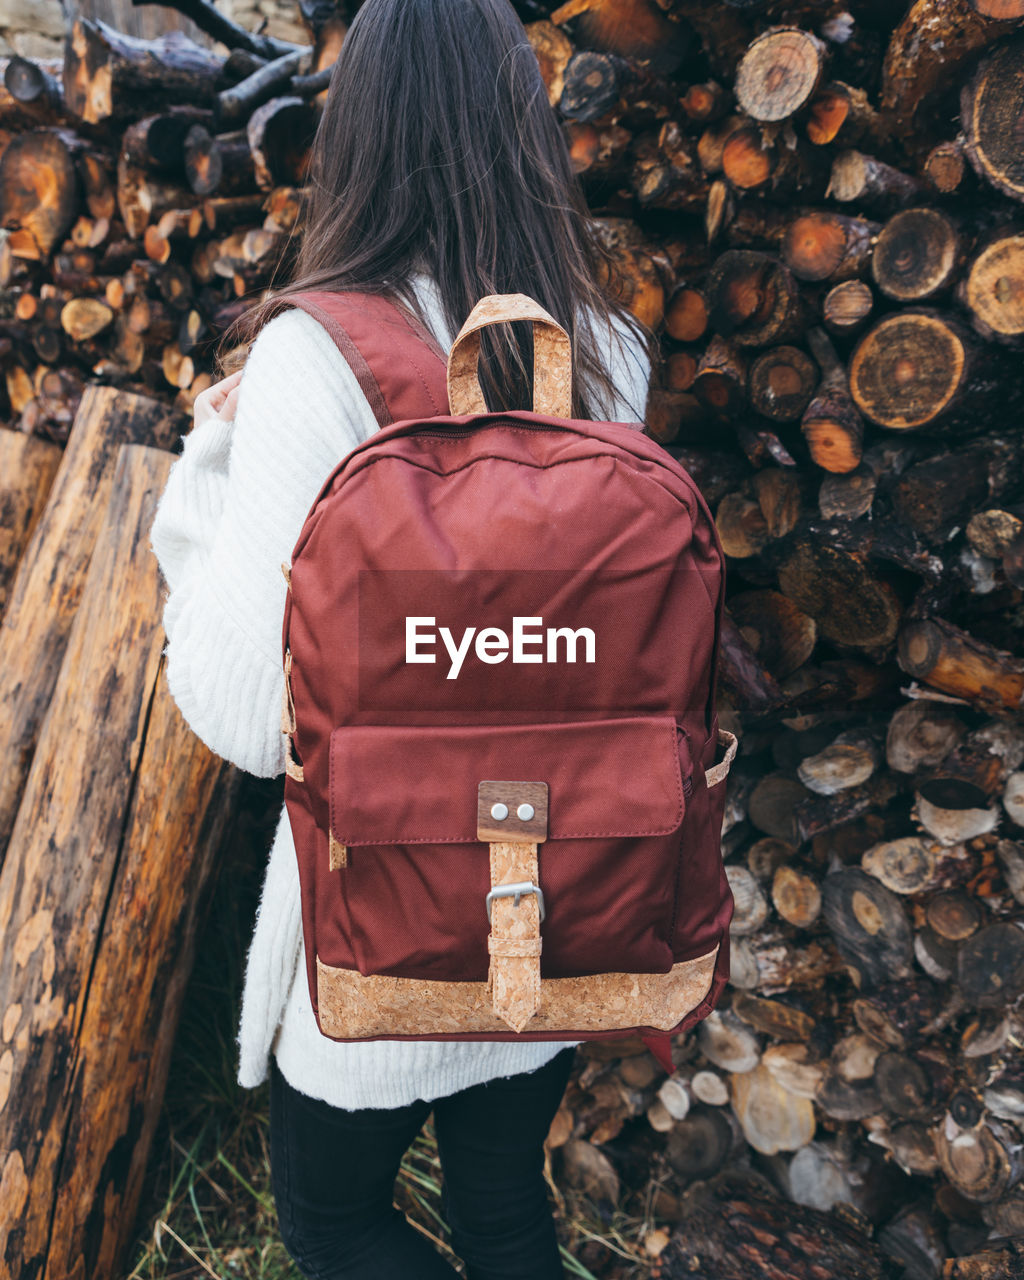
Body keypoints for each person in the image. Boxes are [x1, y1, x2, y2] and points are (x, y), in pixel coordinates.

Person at [149, 0, 653, 1274]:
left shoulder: (316, 360)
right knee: (505, 1213)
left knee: (335, 1223)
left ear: (357, 130)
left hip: (385, 922)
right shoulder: (603, 350)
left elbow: (244, 707)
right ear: (524, 124)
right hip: (555, 901)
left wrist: (211, 459)